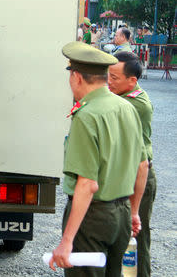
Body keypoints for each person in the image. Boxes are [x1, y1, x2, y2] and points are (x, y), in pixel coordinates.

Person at [49, 42, 147, 276]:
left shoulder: (87, 115)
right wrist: (133, 211)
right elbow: (143, 165)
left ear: (76, 78)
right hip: (122, 213)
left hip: (92, 219)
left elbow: (87, 183)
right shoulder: (127, 107)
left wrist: (67, 240)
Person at [109, 51, 156, 277]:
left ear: (132, 80)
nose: (108, 82)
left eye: (114, 78)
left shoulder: (134, 104)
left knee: (136, 237)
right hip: (126, 174)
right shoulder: (127, 95)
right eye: (107, 75)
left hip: (139, 176)